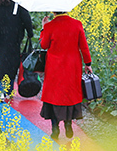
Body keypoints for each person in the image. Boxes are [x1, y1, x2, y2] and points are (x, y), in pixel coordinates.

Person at [39, 11, 93, 140]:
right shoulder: (77, 24)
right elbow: (84, 47)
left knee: (54, 95)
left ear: (53, 11)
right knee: (69, 94)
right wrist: (88, 63)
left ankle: (55, 129)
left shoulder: (50, 26)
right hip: (72, 66)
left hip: (54, 67)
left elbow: (43, 45)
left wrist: (43, 27)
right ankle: (68, 124)